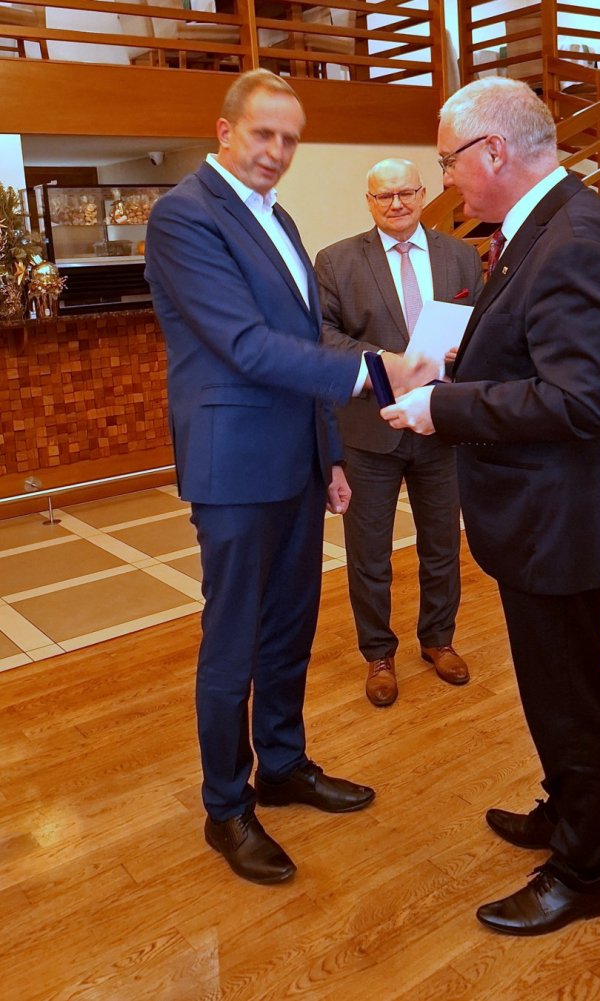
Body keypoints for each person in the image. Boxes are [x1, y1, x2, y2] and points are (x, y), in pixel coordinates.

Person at [145, 70, 435, 886]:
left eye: (291, 139)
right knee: (233, 641)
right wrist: (376, 370)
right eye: (263, 133)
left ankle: (281, 764)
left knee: (288, 629)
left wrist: (329, 454)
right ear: (225, 130)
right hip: (234, 466)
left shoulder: (278, 216)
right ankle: (226, 805)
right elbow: (243, 345)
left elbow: (301, 339)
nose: (277, 151)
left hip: (297, 463)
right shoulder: (185, 215)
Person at [382, 77, 600, 936]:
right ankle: (565, 809)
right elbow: (541, 351)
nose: (445, 179)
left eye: (448, 161)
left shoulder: (574, 236)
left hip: (560, 518)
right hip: (541, 512)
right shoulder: (542, 224)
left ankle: (583, 871)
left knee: (568, 694)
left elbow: (578, 400)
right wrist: (465, 354)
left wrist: (444, 406)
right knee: (551, 686)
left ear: (493, 151)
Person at [315, 158, 483, 707]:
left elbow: (482, 325)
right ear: (369, 201)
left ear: (423, 193)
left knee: (442, 545)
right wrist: (388, 362)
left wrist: (465, 349)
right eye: (383, 196)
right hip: (370, 430)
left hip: (441, 425)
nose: (396, 204)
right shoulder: (337, 261)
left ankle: (438, 639)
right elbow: (324, 336)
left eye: (406, 193)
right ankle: (378, 654)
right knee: (369, 553)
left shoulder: (460, 256)